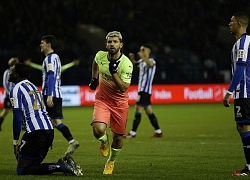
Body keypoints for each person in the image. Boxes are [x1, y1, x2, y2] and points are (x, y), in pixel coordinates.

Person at [9, 63, 82, 176]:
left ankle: (60, 166)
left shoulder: (16, 89)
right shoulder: (33, 86)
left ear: (17, 75)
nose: (9, 71)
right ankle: (63, 164)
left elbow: (17, 118)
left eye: (12, 70)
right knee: (32, 166)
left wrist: (15, 142)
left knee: (22, 170)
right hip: (49, 130)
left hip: (36, 132)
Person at [88, 31, 133, 174]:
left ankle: (111, 162)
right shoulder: (100, 55)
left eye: (115, 42)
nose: (112, 44)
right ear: (106, 44)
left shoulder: (126, 64)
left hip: (119, 104)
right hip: (103, 100)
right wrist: (94, 79)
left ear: (121, 44)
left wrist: (114, 73)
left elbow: (124, 88)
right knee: (98, 130)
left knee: (118, 137)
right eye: (109, 41)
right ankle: (103, 140)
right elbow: (95, 63)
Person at [40, 35, 79, 156]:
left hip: (50, 93)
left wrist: (50, 95)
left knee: (44, 121)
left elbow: (51, 77)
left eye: (42, 43)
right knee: (55, 121)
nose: (40, 45)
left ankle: (43, 146)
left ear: (48, 44)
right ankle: (72, 141)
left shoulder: (50, 59)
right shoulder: (56, 58)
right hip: (57, 93)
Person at [223, 12, 250, 176]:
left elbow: (240, 68)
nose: (229, 24)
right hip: (243, 92)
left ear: (239, 23)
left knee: (245, 126)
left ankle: (249, 167)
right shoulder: (239, 43)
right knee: (241, 127)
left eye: (231, 21)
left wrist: (229, 92)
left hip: (245, 92)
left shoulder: (244, 42)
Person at [124, 44, 163, 138]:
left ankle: (133, 133)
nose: (141, 51)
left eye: (143, 50)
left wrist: (143, 57)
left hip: (145, 91)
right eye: (140, 50)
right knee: (149, 111)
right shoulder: (141, 61)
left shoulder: (151, 61)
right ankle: (158, 132)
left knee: (138, 109)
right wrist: (132, 58)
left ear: (148, 52)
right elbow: (135, 63)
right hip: (141, 90)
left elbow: (151, 64)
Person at [0, 57, 19, 131]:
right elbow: (5, 84)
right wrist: (10, 94)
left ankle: (23, 126)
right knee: (5, 111)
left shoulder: (16, 73)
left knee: (20, 111)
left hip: (16, 96)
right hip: (9, 96)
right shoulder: (7, 72)